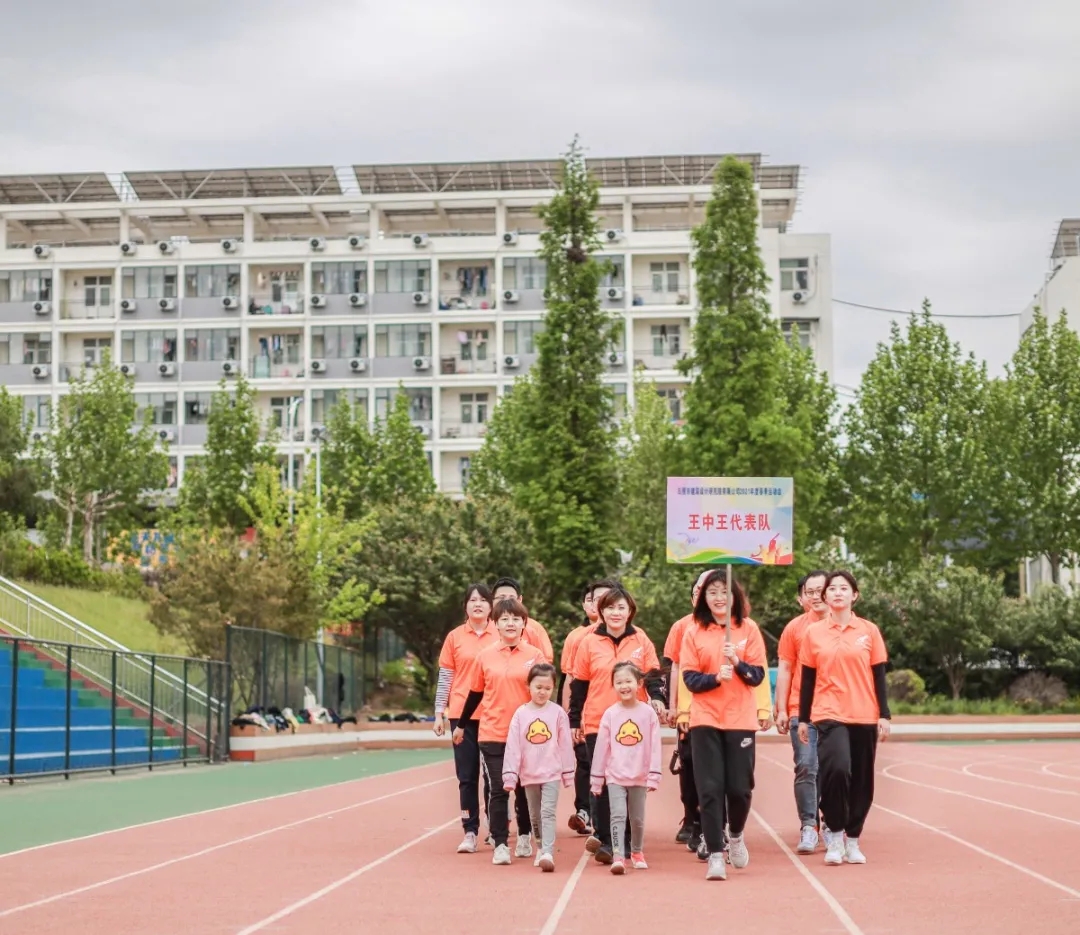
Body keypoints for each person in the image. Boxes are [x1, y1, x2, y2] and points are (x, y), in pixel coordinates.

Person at [798, 570, 891, 867]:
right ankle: (834, 833)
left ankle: (853, 838)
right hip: (828, 713)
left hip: (864, 713)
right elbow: (808, 678)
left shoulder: (869, 631)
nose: (837, 593)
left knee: (863, 779)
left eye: (844, 588)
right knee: (836, 769)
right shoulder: (813, 633)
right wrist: (802, 718)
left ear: (855, 595)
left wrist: (884, 714)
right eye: (832, 589)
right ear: (824, 597)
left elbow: (879, 676)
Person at [680, 569, 767, 881]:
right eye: (712, 592)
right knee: (710, 788)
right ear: (704, 598)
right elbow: (689, 679)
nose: (718, 598)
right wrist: (716, 677)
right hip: (705, 719)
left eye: (724, 592)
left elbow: (758, 676)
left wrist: (738, 664)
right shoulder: (694, 631)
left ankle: (736, 835)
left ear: (735, 597)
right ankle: (716, 854)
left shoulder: (748, 629)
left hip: (740, 719)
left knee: (740, 789)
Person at [569, 585, 665, 865]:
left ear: (630, 611)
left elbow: (653, 675)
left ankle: (626, 841)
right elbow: (579, 684)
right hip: (599, 721)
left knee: (627, 780)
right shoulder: (588, 641)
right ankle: (608, 840)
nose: (615, 612)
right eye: (610, 607)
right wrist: (575, 719)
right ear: (601, 611)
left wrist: (657, 698)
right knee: (601, 780)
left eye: (621, 607)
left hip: (633, 724)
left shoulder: (640, 639)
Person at [454, 596, 547, 865]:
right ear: (495, 624)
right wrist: (461, 725)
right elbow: (475, 693)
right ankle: (500, 844)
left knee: (525, 788)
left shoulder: (535, 655)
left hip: (529, 734)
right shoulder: (485, 656)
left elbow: (543, 692)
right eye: (504, 619)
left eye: (515, 618)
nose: (510, 623)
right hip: (493, 732)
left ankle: (527, 835)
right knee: (499, 789)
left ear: (523, 623)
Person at [434, 583, 499, 854]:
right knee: (467, 775)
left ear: (490, 606)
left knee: (493, 775)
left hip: (494, 713)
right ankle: (470, 830)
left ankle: (495, 828)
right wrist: (439, 713)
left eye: (483, 600)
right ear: (465, 606)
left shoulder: (501, 633)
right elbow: (446, 676)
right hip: (461, 714)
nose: (478, 604)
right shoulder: (455, 637)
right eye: (472, 600)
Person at [774, 570, 829, 853]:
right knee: (806, 766)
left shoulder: (846, 627)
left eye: (822, 589)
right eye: (810, 591)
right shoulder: (795, 628)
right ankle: (809, 825)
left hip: (837, 711)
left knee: (833, 770)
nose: (817, 595)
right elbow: (785, 669)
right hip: (801, 710)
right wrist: (781, 707)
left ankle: (832, 823)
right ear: (802, 598)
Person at [589, 662, 663, 874]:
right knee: (618, 815)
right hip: (615, 776)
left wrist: (653, 775)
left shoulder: (648, 714)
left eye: (628, 681)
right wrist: (597, 780)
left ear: (639, 683)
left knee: (637, 819)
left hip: (639, 775)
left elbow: (655, 746)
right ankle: (619, 855)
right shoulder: (610, 714)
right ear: (613, 685)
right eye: (618, 682)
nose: (624, 686)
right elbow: (601, 748)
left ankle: (637, 852)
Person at [502, 662, 575, 872]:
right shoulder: (520, 714)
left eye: (547, 688)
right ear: (529, 686)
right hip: (529, 774)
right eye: (538, 687)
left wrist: (567, 773)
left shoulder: (558, 713)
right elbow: (513, 746)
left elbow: (565, 745)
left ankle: (548, 853)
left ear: (553, 688)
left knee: (548, 812)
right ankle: (541, 846)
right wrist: (510, 775)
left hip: (551, 772)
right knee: (534, 814)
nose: (542, 692)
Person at [560, 579, 615, 835]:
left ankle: (618, 821)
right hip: (588, 716)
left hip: (620, 718)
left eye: (609, 598)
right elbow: (571, 680)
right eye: (596, 599)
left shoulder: (632, 635)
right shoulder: (578, 638)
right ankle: (588, 813)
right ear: (588, 604)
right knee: (587, 763)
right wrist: (568, 717)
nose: (602, 604)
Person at [663, 571, 711, 849]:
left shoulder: (729, 627)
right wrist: (674, 706)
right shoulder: (681, 626)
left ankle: (710, 823)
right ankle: (690, 817)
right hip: (688, 710)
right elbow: (675, 668)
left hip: (718, 711)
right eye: (698, 591)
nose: (701, 596)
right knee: (689, 764)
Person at [493, 577, 554, 663]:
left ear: (520, 599)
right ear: (492, 600)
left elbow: (545, 662)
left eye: (511, 598)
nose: (506, 602)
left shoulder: (534, 628)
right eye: (501, 598)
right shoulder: (485, 627)